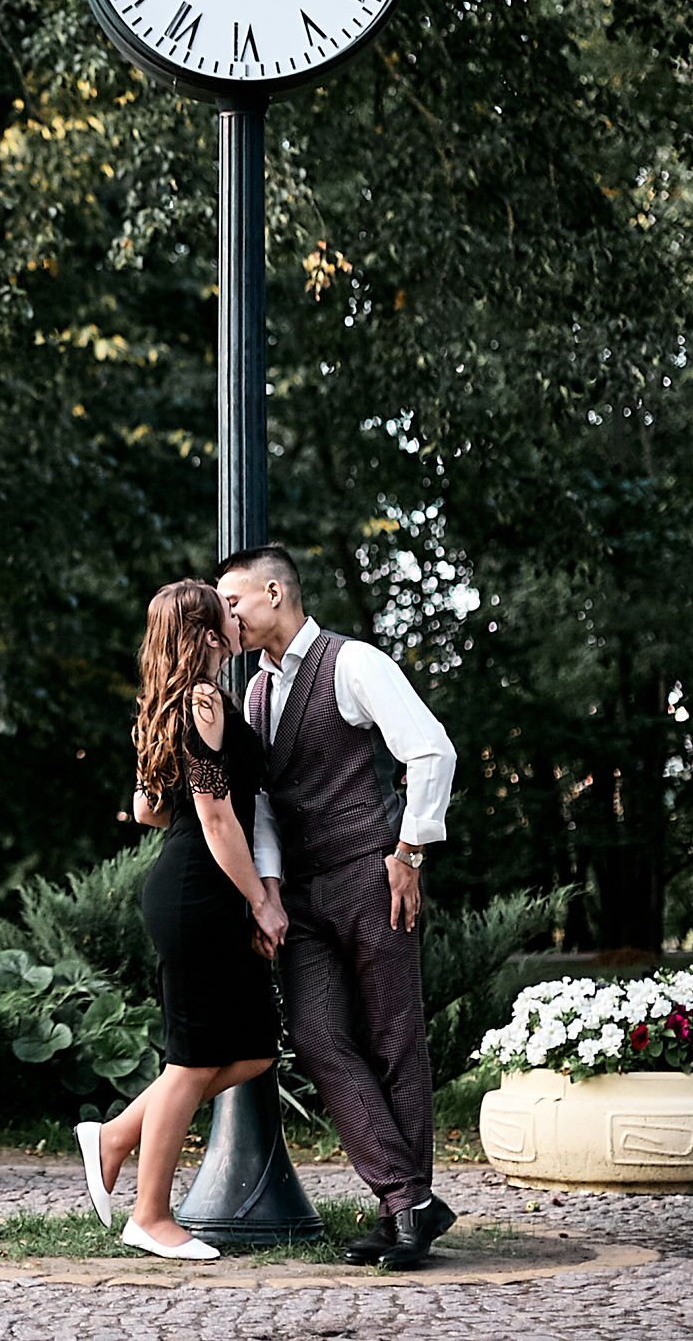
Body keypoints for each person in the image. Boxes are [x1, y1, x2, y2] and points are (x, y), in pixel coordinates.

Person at [217, 544, 460, 1269]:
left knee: (394, 1037)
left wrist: (410, 849)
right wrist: (266, 890)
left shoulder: (353, 663)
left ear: (272, 591)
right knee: (319, 1037)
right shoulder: (253, 692)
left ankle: (402, 1209)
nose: (226, 615)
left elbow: (431, 750)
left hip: (370, 873)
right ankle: (409, 1199)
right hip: (300, 893)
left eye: (233, 601)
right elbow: (259, 803)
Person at [72, 579, 287, 1260]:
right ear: (204, 632)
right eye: (224, 608)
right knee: (192, 1060)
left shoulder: (169, 703)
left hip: (195, 886)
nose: (236, 612)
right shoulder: (201, 701)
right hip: (200, 892)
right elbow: (218, 817)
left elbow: (148, 808)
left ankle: (112, 1136)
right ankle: (150, 1214)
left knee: (253, 1045)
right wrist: (262, 898)